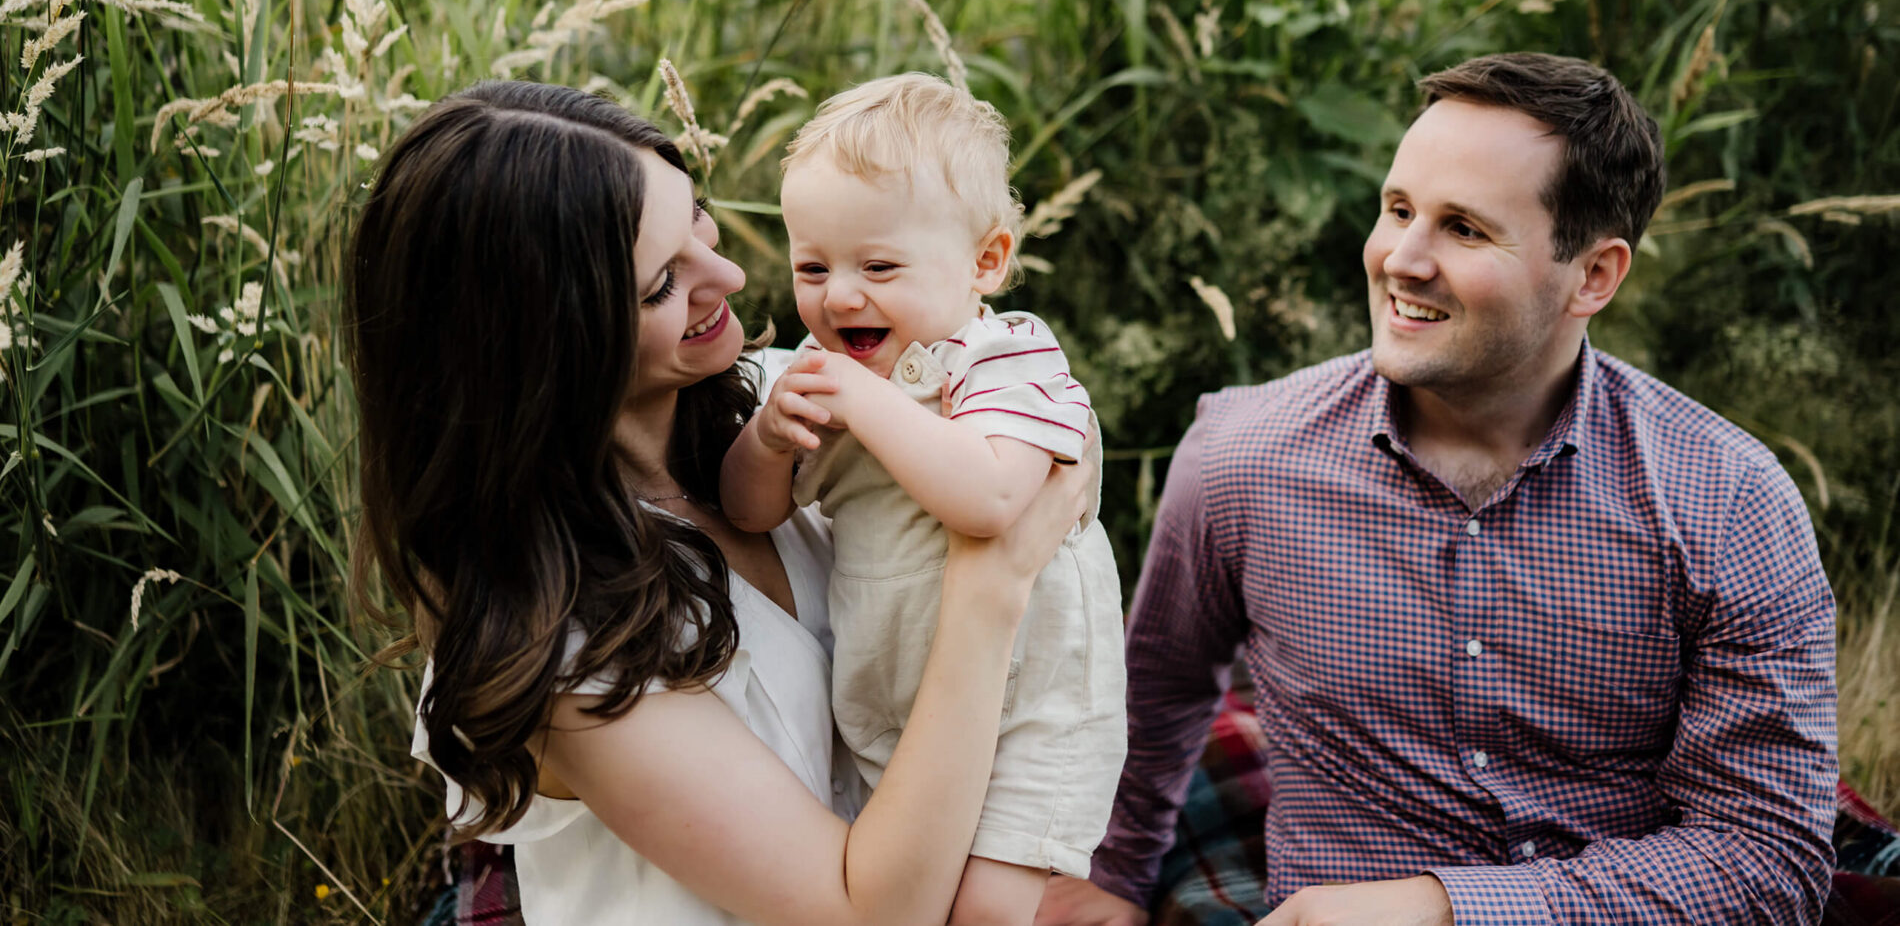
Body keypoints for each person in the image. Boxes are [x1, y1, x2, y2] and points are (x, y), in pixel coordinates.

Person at [1037, 53, 1839, 926]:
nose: (1401, 260)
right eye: (1398, 210)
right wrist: (1111, 875)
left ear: (1594, 275)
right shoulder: (1242, 457)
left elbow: (1770, 857)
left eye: (1463, 228)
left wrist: (1443, 909)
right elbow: (1156, 693)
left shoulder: (1729, 501)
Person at [345, 79, 1094, 926]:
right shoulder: (560, 642)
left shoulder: (801, 413)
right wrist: (992, 584)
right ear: (549, 346)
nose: (731, 273)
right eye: (665, 280)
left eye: (699, 220)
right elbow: (863, 915)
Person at [722, 74, 1127, 926]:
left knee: (982, 913)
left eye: (878, 266)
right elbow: (753, 512)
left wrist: (858, 400)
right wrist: (765, 439)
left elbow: (989, 500)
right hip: (893, 703)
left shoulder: (1005, 357)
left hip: (1033, 710)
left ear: (986, 261)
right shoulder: (825, 374)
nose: (839, 295)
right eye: (812, 266)